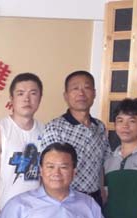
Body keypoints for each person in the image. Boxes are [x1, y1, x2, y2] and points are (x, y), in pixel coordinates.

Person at [41, 71, 111, 205]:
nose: (81, 93)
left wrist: (103, 189)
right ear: (66, 96)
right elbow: (47, 169)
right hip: (66, 199)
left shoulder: (99, 127)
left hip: (94, 199)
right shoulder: (55, 128)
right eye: (75, 88)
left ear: (94, 93)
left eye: (86, 88)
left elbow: (102, 164)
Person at [0, 73, 44, 218]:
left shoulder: (45, 131)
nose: (27, 99)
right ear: (11, 99)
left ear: (40, 98)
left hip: (37, 213)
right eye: (20, 93)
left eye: (33, 93)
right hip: (6, 211)